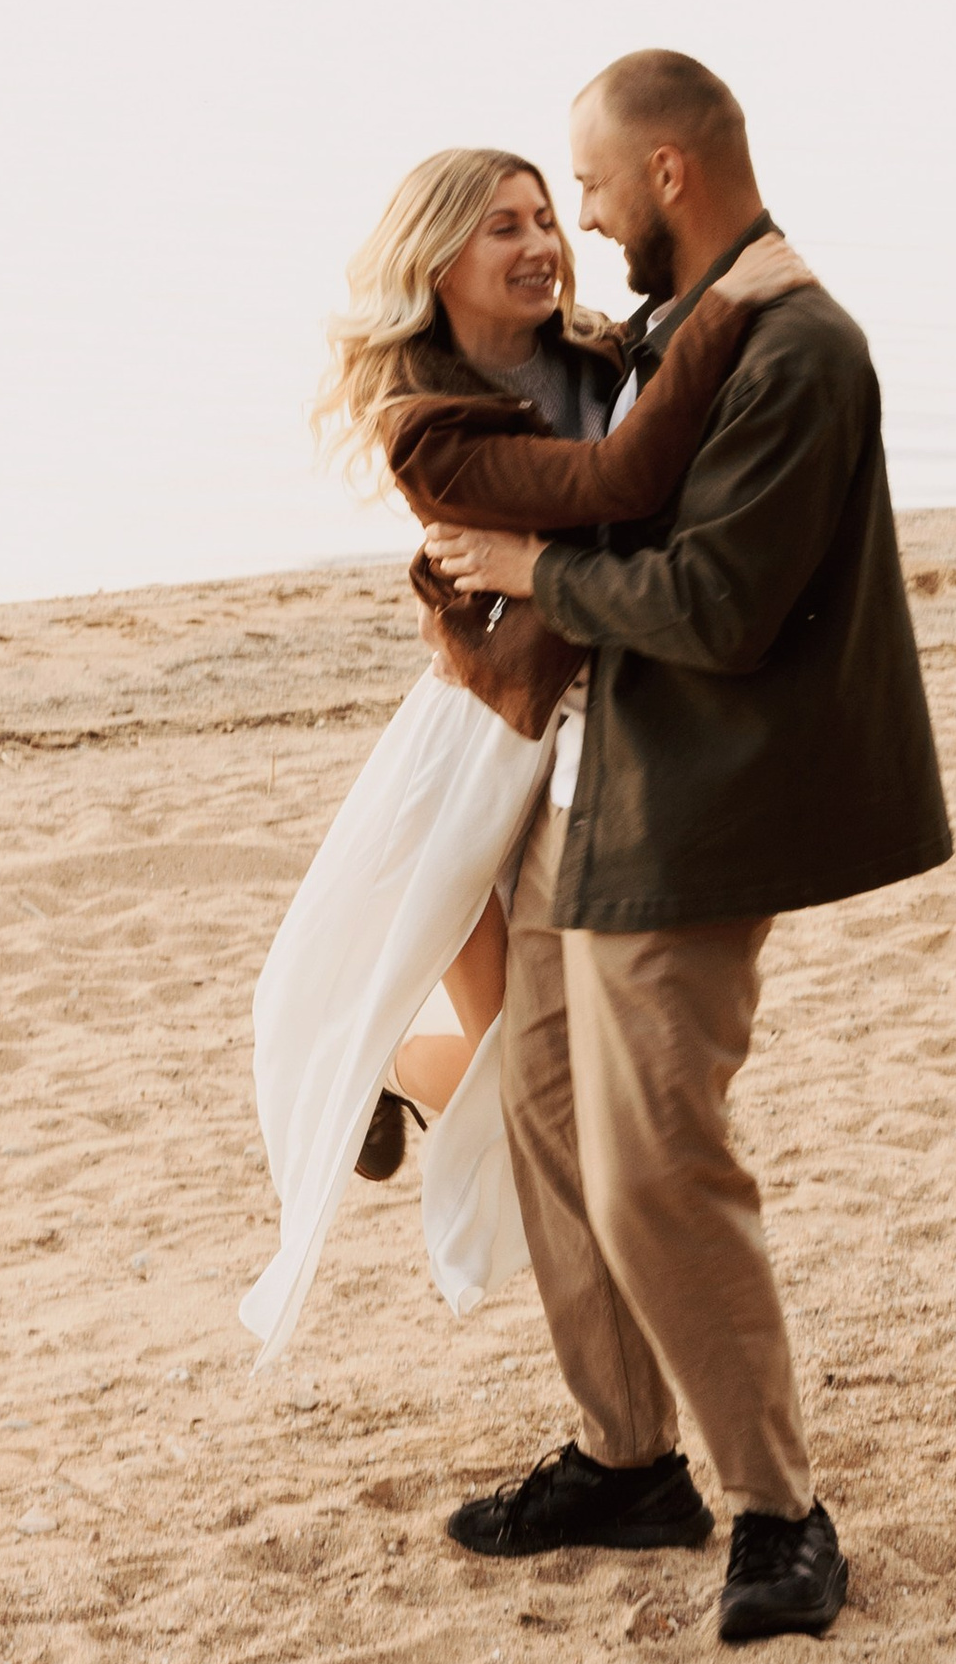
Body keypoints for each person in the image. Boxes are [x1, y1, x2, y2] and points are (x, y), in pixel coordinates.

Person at [424, 50, 952, 1646]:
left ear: (667, 172)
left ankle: (782, 1509)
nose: (579, 221)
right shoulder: (670, 329)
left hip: (695, 805)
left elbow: (718, 607)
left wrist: (531, 569)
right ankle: (626, 1458)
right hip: (586, 789)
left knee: (659, 1164)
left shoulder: (798, 347)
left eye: (586, 188)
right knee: (543, 1113)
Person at [240, 146, 806, 1368]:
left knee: (539, 1059)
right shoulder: (425, 426)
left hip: (593, 732)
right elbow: (614, 485)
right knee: (505, 1041)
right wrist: (733, 303)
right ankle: (397, 1081)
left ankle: (406, 1086)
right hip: (487, 741)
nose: (541, 243)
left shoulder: (603, 351)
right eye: (504, 226)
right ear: (438, 257)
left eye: (547, 216)